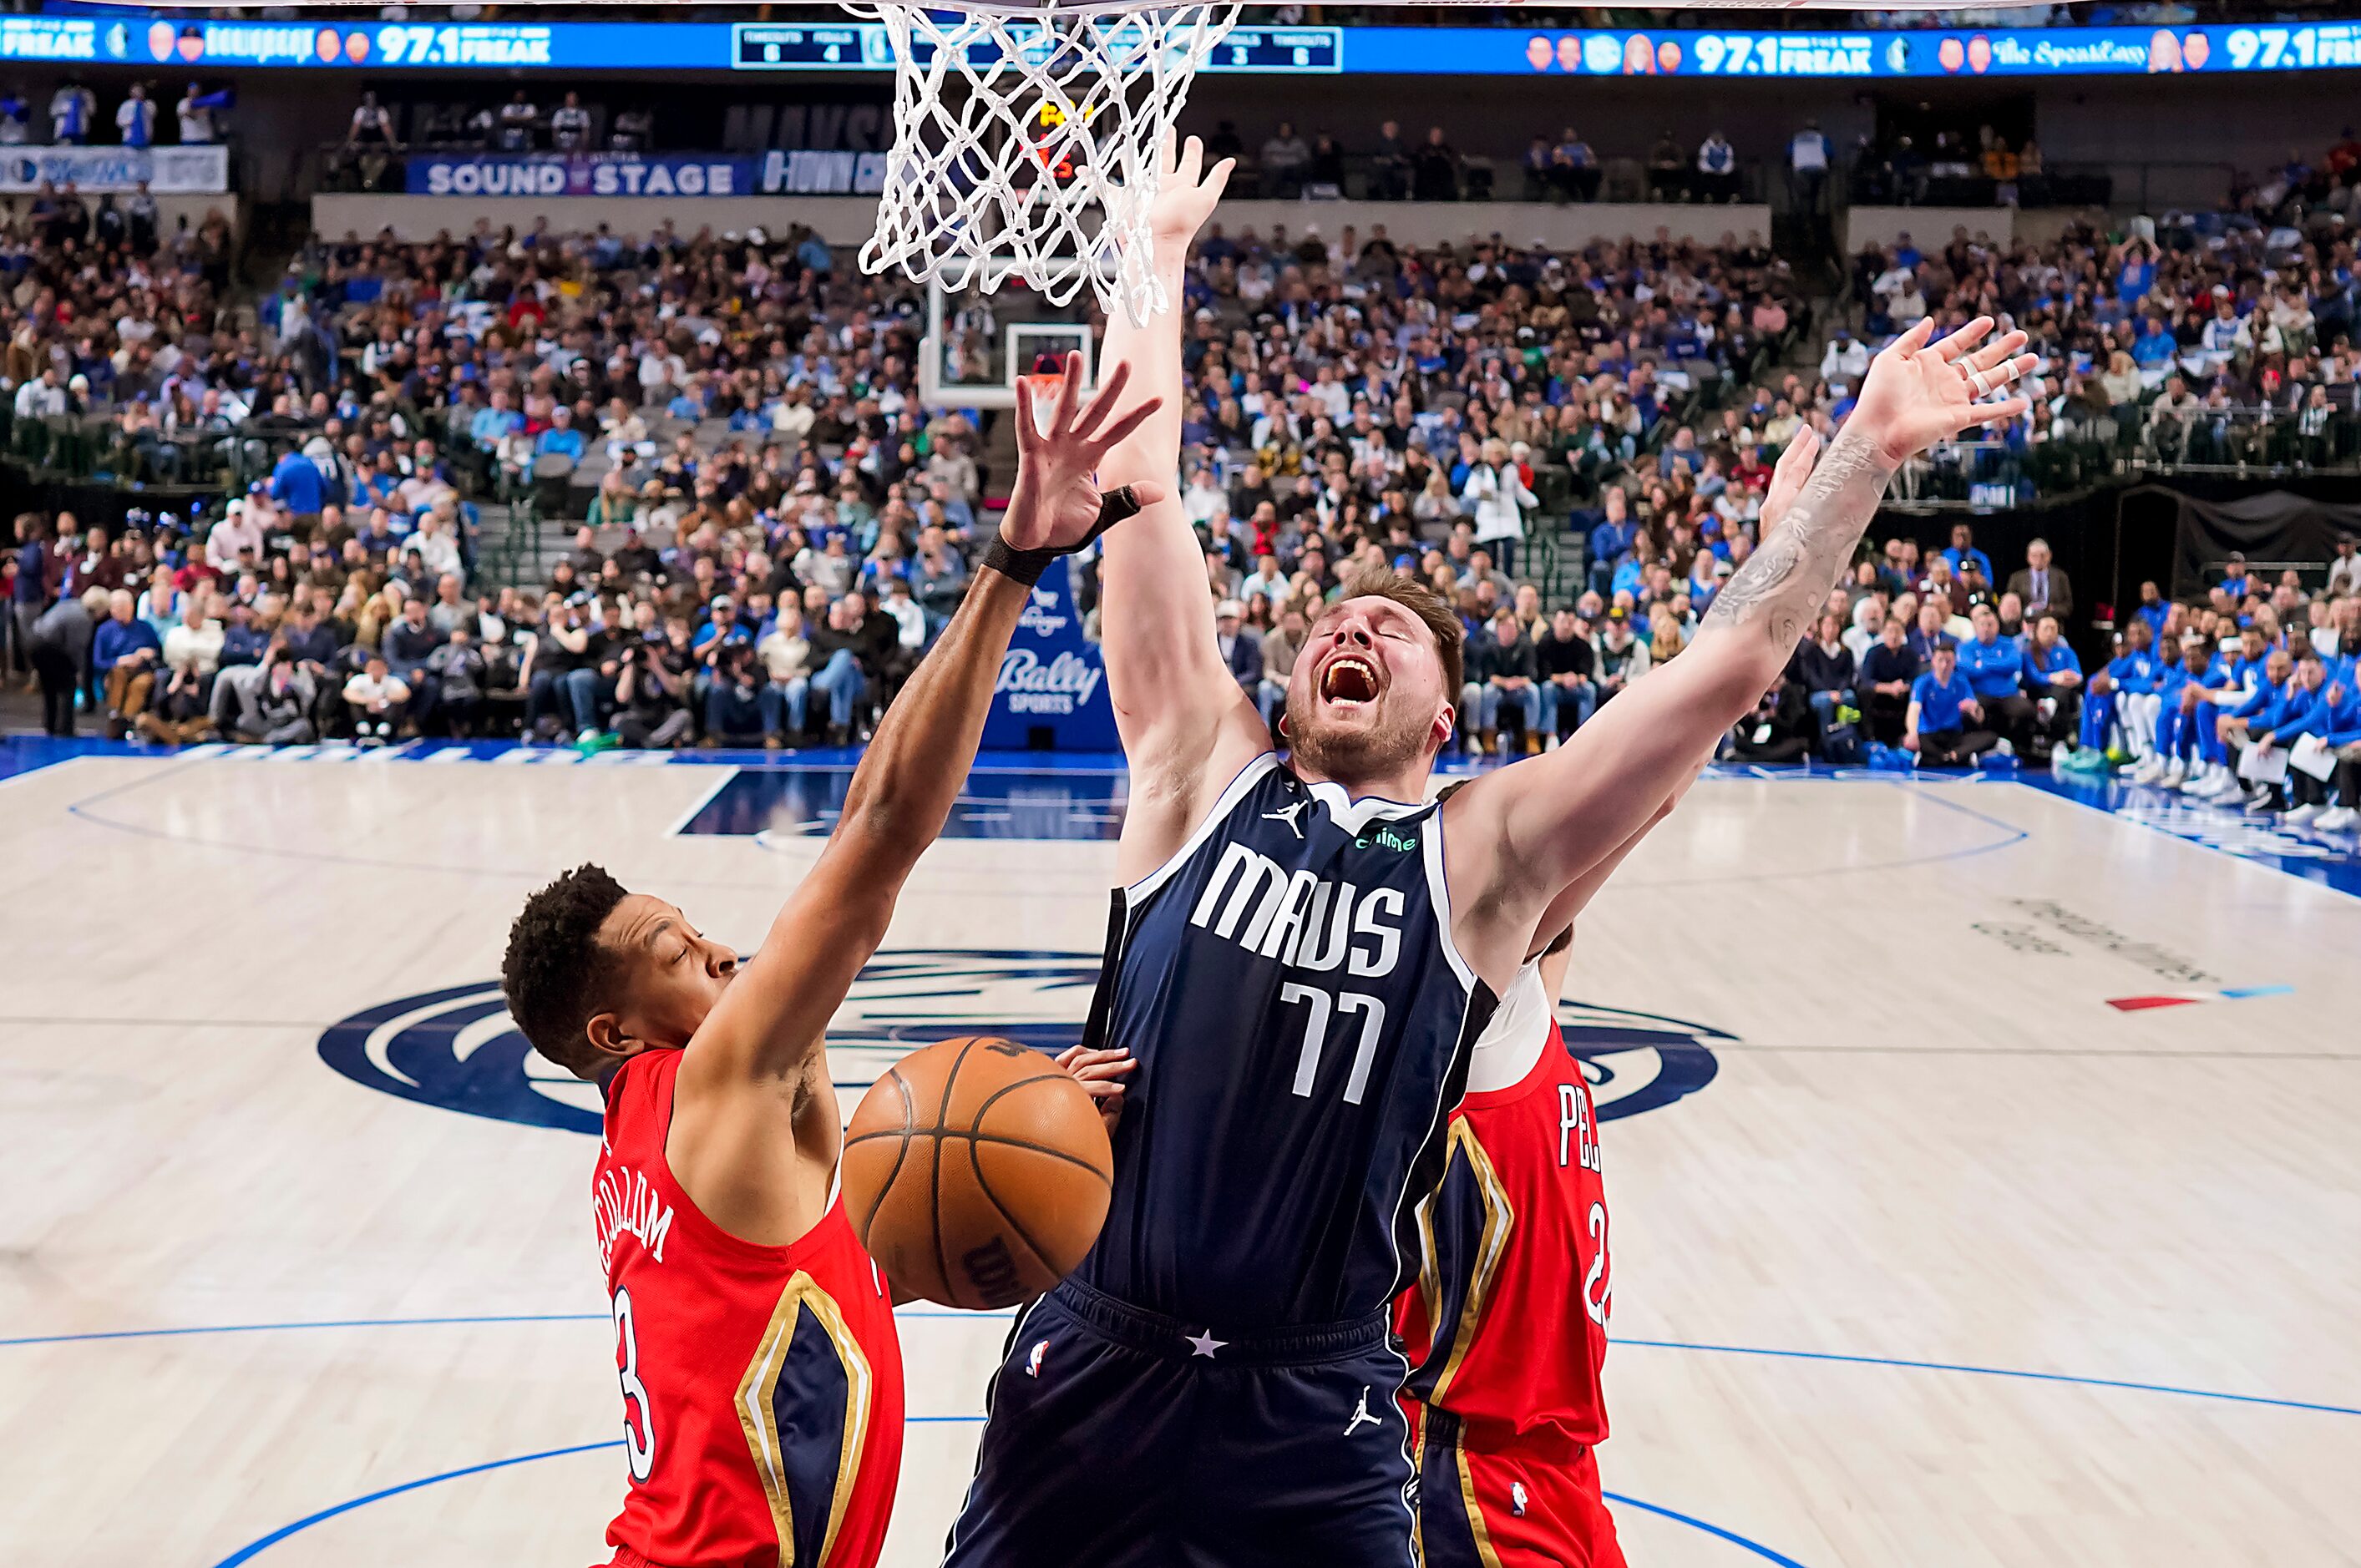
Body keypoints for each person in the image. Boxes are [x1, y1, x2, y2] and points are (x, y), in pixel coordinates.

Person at [945, 138, 2029, 1566]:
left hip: (1313, 1402)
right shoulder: (1194, 771)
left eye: (1390, 630)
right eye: (1330, 620)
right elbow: (1141, 477)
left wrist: (1860, 454)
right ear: (1278, 685)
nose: (1351, 628)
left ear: (1446, 713)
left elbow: (1724, 664)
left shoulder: (1483, 853)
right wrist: (1150, 255)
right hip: (1094, 1358)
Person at [496, 362, 1158, 1568]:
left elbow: (821, 1273)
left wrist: (1030, 1115)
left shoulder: (663, 1146)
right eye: (667, 948)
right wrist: (1012, 561)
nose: (707, 942)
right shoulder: (716, 1079)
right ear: (615, 1032)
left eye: (684, 918)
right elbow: (879, 826)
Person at [1907, 640, 1996, 766]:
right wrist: (1912, 733)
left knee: (1991, 737)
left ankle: (1953, 755)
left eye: (1948, 661)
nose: (1944, 665)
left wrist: (1975, 708)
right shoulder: (1922, 682)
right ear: (1933, 661)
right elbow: (1914, 710)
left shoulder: (1961, 681)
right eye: (1940, 660)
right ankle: (1945, 757)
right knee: (1909, 741)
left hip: (1954, 735)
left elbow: (1979, 718)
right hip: (1929, 734)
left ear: (1954, 662)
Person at [2005, 537, 2073, 625]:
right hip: (2024, 625)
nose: (2039, 559)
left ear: (2050, 556)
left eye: (2043, 555)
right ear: (2028, 557)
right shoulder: (2016, 578)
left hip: (2053, 625)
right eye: (2034, 555)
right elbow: (2010, 606)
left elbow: (2068, 607)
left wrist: (2051, 609)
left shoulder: (2061, 577)